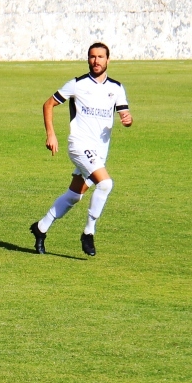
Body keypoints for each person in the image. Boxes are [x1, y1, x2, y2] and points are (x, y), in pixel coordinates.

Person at [30, 42, 133, 256]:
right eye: (92, 57)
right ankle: (88, 232)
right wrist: (51, 134)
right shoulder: (77, 84)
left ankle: (40, 228)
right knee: (105, 184)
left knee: (74, 195)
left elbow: (125, 115)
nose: (96, 61)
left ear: (108, 60)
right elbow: (48, 104)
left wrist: (127, 119)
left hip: (99, 152)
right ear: (88, 59)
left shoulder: (116, 88)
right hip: (79, 145)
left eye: (100, 57)